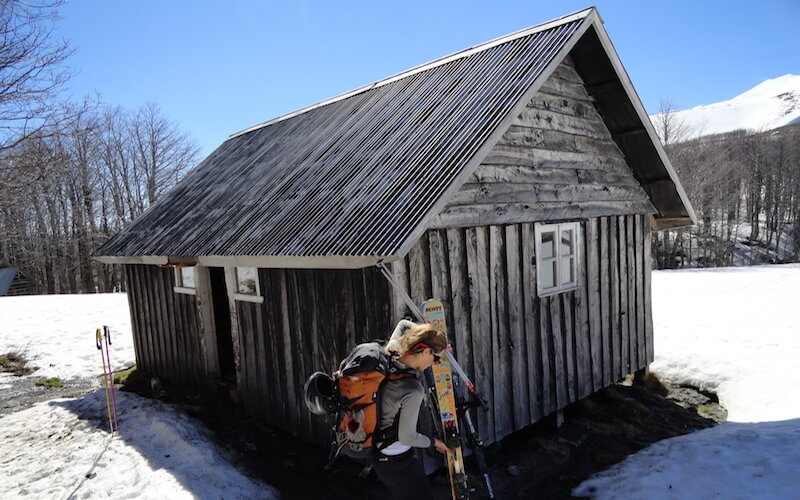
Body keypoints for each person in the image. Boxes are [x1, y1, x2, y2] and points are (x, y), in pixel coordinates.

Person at [370, 322, 450, 500]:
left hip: (380, 452)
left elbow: (403, 324)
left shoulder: (392, 350)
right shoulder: (413, 390)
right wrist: (434, 443)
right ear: (426, 351)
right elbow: (407, 437)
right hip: (394, 458)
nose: (434, 364)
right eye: (435, 358)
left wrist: (431, 338)